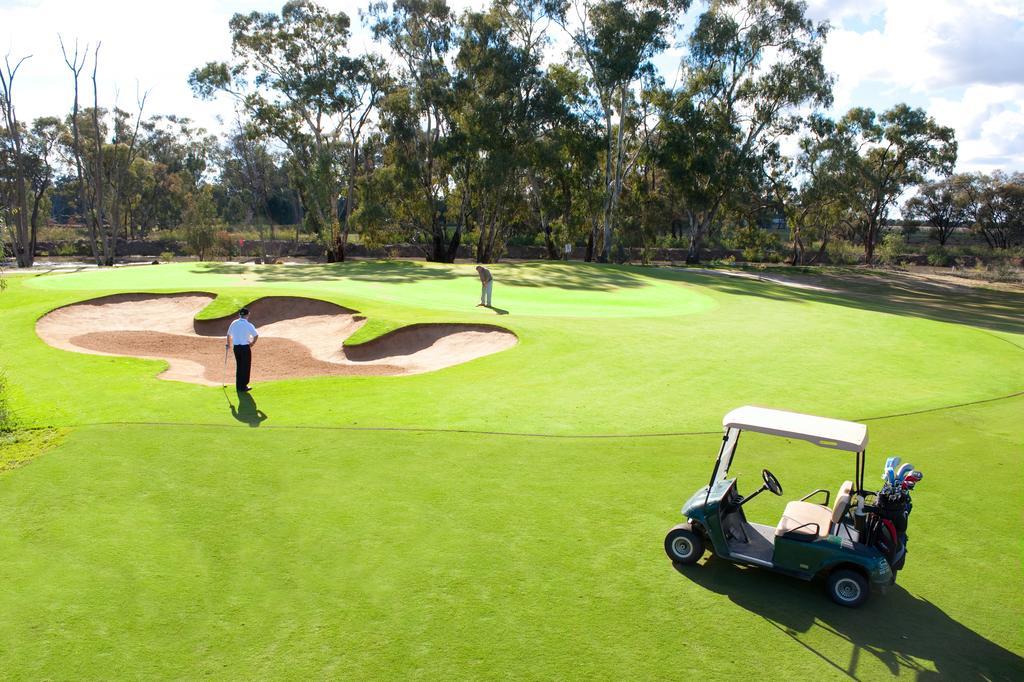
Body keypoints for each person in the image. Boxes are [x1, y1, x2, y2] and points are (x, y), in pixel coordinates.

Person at [226, 307, 259, 392]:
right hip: (245, 348)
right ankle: (243, 386)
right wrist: (252, 343)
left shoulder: (234, 323)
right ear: (247, 315)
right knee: (245, 367)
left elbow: (228, 334)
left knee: (239, 366)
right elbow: (256, 335)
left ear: (239, 315)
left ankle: (238, 386)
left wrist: (228, 344)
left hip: (236, 348)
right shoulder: (248, 325)